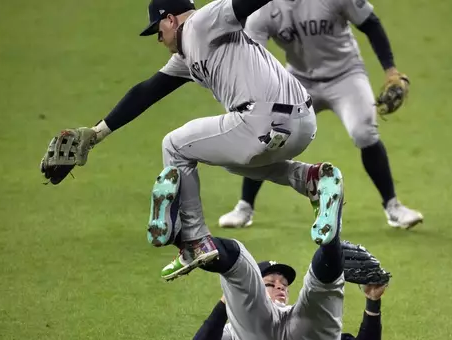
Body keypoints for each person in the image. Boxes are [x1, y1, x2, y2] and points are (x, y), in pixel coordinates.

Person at [41, 0, 345, 280]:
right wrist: (96, 133)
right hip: (300, 122)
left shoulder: (204, 21)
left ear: (170, 19)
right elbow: (146, 91)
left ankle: (195, 240)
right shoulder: (186, 54)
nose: (159, 40)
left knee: (174, 145)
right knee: (229, 160)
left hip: (261, 119)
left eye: (158, 31)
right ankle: (312, 178)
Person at [218, 0, 424, 230]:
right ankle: (245, 207)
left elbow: (370, 24)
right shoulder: (264, 7)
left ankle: (393, 207)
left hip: (346, 75)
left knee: (364, 132)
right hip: (299, 81)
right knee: (269, 132)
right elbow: (252, 57)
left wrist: (391, 70)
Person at [177, 165, 385, 340]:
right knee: (239, 264)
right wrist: (225, 305)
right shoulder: (235, 327)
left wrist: (373, 301)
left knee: (322, 286)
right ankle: (185, 237)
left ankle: (330, 234)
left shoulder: (301, 316)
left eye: (284, 284)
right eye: (269, 283)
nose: (280, 287)